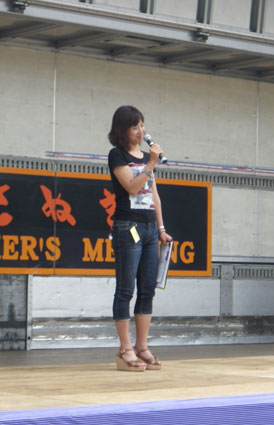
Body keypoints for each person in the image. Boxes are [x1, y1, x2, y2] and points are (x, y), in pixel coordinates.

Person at [107, 105, 172, 372]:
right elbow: (132, 187)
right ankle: (125, 349)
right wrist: (151, 164)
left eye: (142, 125)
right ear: (123, 130)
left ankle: (142, 346)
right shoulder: (117, 155)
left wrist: (161, 228)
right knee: (126, 288)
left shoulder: (146, 157)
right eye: (135, 127)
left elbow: (154, 195)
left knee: (147, 289)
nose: (141, 131)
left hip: (148, 228)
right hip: (128, 226)